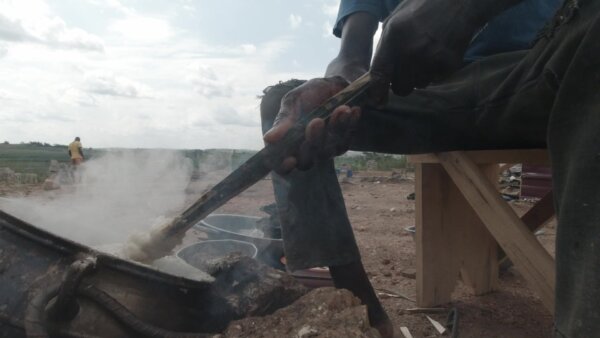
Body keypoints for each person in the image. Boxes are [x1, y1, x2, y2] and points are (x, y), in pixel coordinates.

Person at [260, 0, 599, 336]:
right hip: (431, 95)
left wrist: (464, 6)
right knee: (287, 105)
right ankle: (365, 314)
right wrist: (343, 87)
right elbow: (351, 57)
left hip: (539, 71)